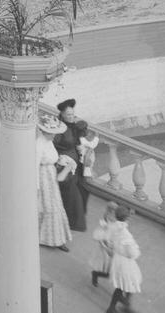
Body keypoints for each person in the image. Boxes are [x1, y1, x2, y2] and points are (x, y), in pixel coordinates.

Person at [37, 113, 73, 251]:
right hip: (44, 176)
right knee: (49, 206)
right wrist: (37, 185)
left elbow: (51, 156)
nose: (55, 136)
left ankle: (58, 238)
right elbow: (35, 164)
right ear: (45, 131)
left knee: (55, 205)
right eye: (52, 133)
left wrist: (59, 160)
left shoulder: (48, 140)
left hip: (50, 173)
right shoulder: (39, 143)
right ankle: (49, 238)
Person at [54, 97, 90, 231]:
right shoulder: (58, 129)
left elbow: (82, 134)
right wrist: (61, 160)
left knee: (84, 189)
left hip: (77, 165)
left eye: (72, 114)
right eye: (68, 114)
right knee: (72, 194)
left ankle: (75, 218)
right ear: (62, 114)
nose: (71, 117)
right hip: (65, 166)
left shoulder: (73, 125)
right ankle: (72, 222)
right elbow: (53, 146)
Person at [104, 205, 142, 312]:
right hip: (125, 261)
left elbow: (108, 240)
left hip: (117, 259)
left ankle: (116, 306)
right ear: (126, 218)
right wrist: (136, 253)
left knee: (123, 284)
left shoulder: (112, 226)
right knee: (131, 282)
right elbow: (132, 253)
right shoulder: (126, 234)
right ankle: (124, 305)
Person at [90, 200, 120, 289]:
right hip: (105, 248)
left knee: (111, 267)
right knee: (106, 266)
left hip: (113, 246)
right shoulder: (104, 224)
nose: (114, 216)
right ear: (109, 212)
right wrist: (106, 247)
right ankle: (95, 274)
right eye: (113, 212)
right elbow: (98, 236)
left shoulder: (116, 221)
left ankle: (99, 274)